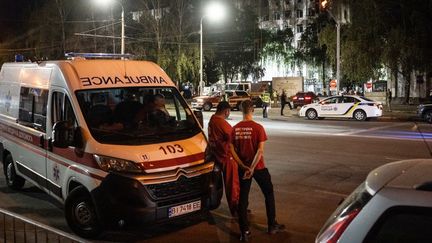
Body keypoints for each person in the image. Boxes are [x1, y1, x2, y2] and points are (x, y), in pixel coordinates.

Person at [231, 100, 285, 242]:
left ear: (241, 110)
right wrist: (252, 168)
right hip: (258, 167)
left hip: (243, 169)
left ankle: (244, 232)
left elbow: (231, 150)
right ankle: (272, 225)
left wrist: (243, 166)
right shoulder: (258, 128)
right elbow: (260, 151)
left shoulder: (235, 129)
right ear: (252, 110)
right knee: (268, 193)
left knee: (243, 199)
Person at [207, 101, 241, 217]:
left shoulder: (212, 120)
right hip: (226, 156)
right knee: (232, 184)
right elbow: (233, 136)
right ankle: (236, 208)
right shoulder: (221, 123)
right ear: (226, 111)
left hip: (217, 155)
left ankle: (236, 207)